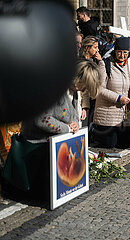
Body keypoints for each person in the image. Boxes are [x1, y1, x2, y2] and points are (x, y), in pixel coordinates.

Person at [5, 60, 101, 199]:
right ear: (79, 78)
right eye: (85, 86)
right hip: (36, 146)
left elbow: (72, 112)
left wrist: (74, 122)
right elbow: (42, 119)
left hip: (50, 144)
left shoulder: (72, 90)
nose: (84, 90)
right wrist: (67, 128)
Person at [92, 37, 130, 148]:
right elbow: (99, 89)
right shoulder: (105, 64)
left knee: (125, 145)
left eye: (125, 52)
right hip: (107, 115)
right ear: (114, 51)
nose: (122, 55)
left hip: (125, 117)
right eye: (119, 52)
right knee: (109, 145)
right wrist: (118, 98)